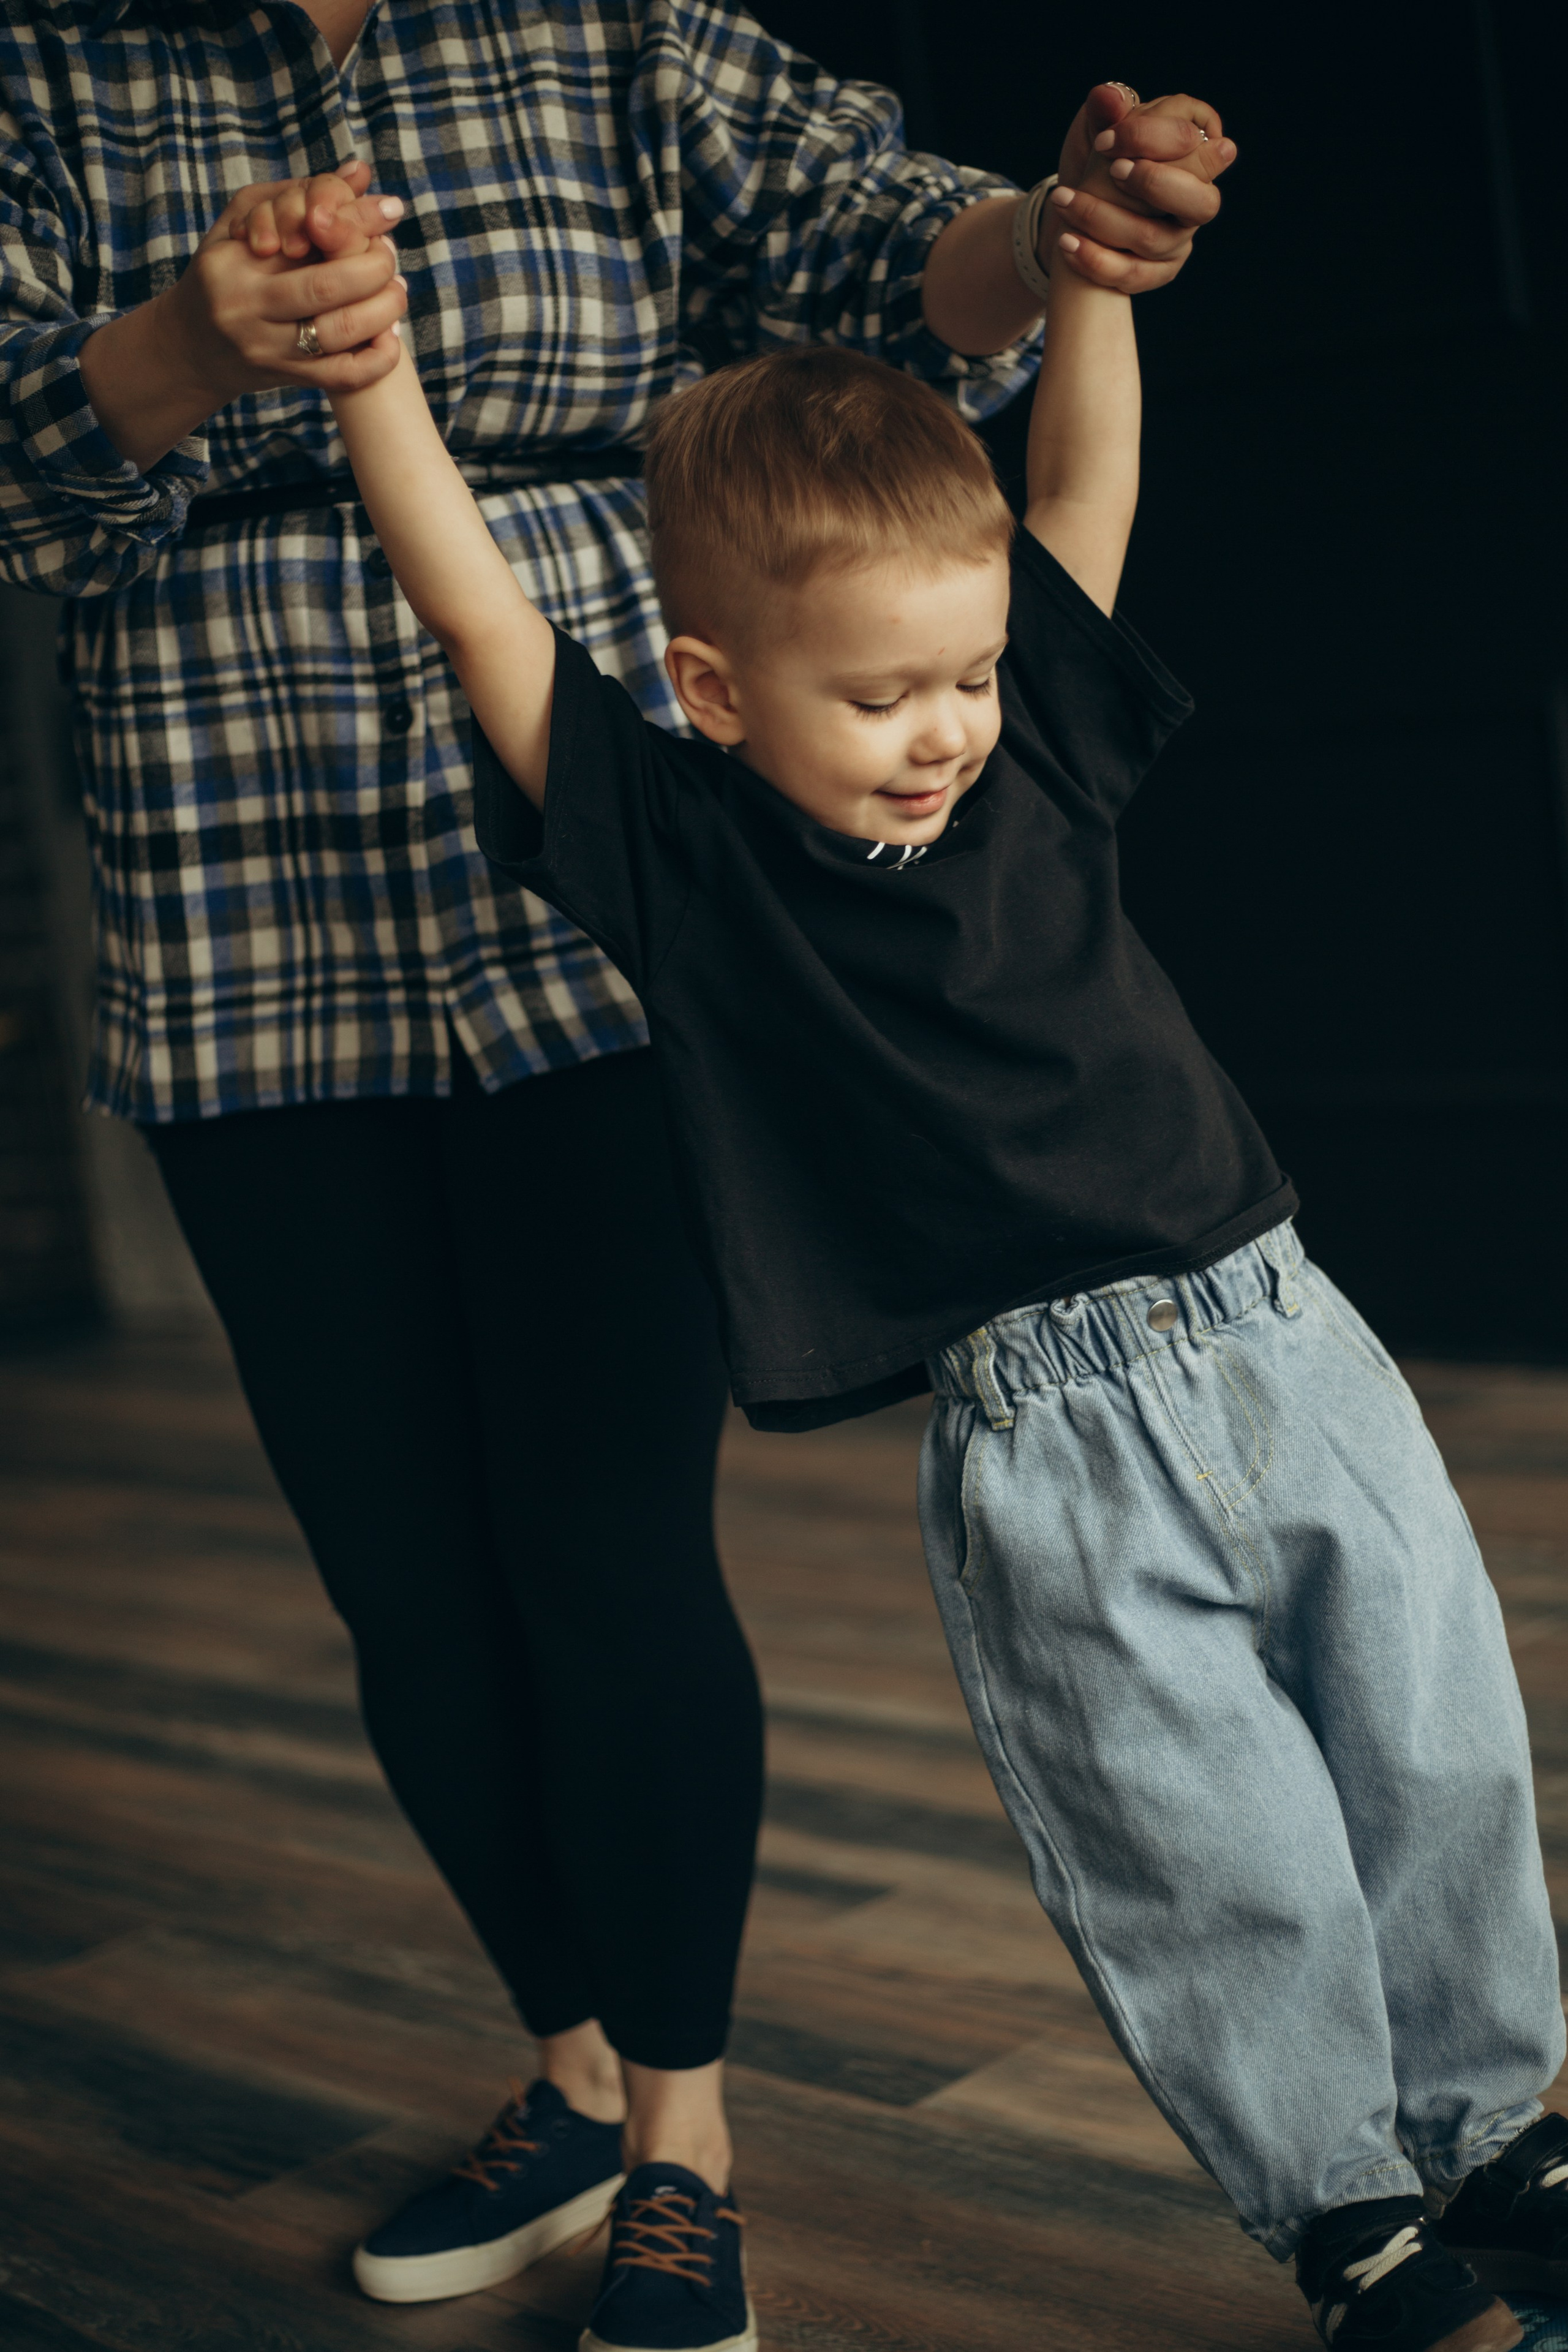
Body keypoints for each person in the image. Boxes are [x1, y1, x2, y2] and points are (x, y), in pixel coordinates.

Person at [0, 0, 1234, 2328]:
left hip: (618, 906)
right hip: (240, 910)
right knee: (405, 1577)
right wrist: (185, 339)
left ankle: (681, 2128)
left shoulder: (614, 38)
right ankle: (562, 2072)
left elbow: (906, 254)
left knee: (601, 1533)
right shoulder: (47, 75)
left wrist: (1060, 237)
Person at [306, 88, 1568, 2352]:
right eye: (880, 696)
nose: (941, 734)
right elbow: (486, 617)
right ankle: (1348, 2212)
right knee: (1215, 1850)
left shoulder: (1036, 745)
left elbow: (1083, 493)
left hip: (1279, 1332)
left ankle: (1502, 2133)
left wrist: (1088, 281)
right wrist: (377, 384)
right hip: (1046, 1442)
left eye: (966, 677)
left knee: (1438, 1746)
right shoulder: (679, 858)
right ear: (710, 696)